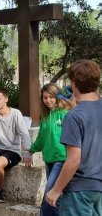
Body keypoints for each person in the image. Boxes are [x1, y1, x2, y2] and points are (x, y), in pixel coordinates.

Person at [46, 59, 102, 216]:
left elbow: (74, 160)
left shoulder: (74, 117)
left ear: (74, 83)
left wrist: (56, 189)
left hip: (79, 190)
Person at [30, 83, 70, 216]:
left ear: (57, 96)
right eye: (45, 97)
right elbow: (41, 139)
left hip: (62, 160)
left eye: (51, 97)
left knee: (49, 193)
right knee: (55, 198)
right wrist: (30, 150)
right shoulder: (45, 116)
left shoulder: (65, 114)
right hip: (49, 161)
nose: (48, 100)